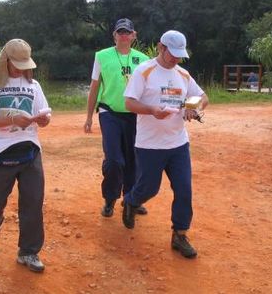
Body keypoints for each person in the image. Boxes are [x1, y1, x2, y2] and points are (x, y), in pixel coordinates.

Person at [122, 30, 209, 259]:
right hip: (150, 144)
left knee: (184, 190)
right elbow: (129, 102)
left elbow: (203, 97)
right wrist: (151, 110)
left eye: (180, 55)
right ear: (161, 47)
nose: (176, 59)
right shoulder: (145, 71)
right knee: (149, 188)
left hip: (178, 143)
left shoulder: (183, 74)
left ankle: (179, 235)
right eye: (172, 54)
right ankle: (131, 201)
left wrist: (192, 106)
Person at [0, 38, 50, 273]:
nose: (22, 68)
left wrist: (43, 119)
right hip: (1, 151)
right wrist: (13, 120)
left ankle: (28, 251)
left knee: (33, 201)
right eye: (17, 63)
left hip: (29, 148)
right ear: (5, 60)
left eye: (25, 63)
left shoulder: (34, 85)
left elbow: (44, 115)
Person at [84, 18, 150, 218]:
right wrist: (89, 117)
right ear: (114, 35)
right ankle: (110, 198)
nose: (123, 35)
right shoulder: (102, 56)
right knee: (114, 160)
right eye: (120, 32)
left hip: (134, 115)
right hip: (109, 112)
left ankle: (130, 199)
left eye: (127, 32)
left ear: (133, 35)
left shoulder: (144, 59)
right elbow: (95, 86)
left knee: (133, 159)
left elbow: (149, 89)